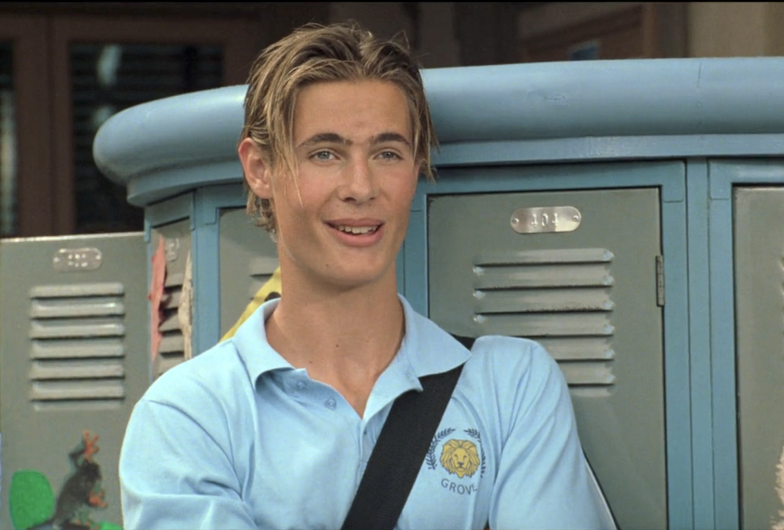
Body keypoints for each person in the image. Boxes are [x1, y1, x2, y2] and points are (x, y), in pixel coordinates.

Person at [119, 22, 616, 530]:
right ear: (260, 168)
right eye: (325, 154)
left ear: (416, 168)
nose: (361, 187)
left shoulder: (512, 386)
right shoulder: (188, 417)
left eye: (387, 153)